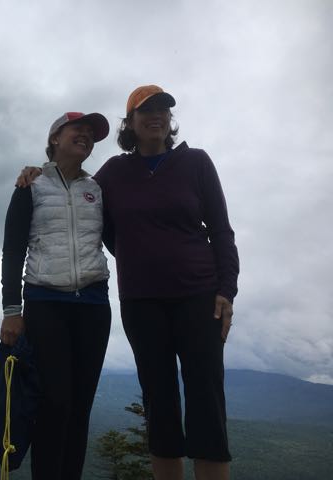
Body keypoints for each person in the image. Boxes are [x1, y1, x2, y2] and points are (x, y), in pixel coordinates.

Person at [17, 85, 239, 480]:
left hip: (199, 296)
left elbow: (221, 230)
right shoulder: (115, 172)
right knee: (158, 399)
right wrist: (38, 172)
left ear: (170, 120)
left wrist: (226, 290)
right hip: (141, 301)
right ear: (130, 123)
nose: (157, 116)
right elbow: (79, 196)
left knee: (206, 397)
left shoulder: (196, 162)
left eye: (163, 110)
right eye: (146, 111)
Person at [0, 111, 112, 479]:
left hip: (94, 306)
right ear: (54, 139)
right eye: (77, 129)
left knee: (80, 408)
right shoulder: (30, 186)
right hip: (45, 304)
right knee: (55, 403)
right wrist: (11, 309)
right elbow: (13, 249)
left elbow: (123, 237)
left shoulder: (97, 190)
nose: (86, 135)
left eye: (91, 133)